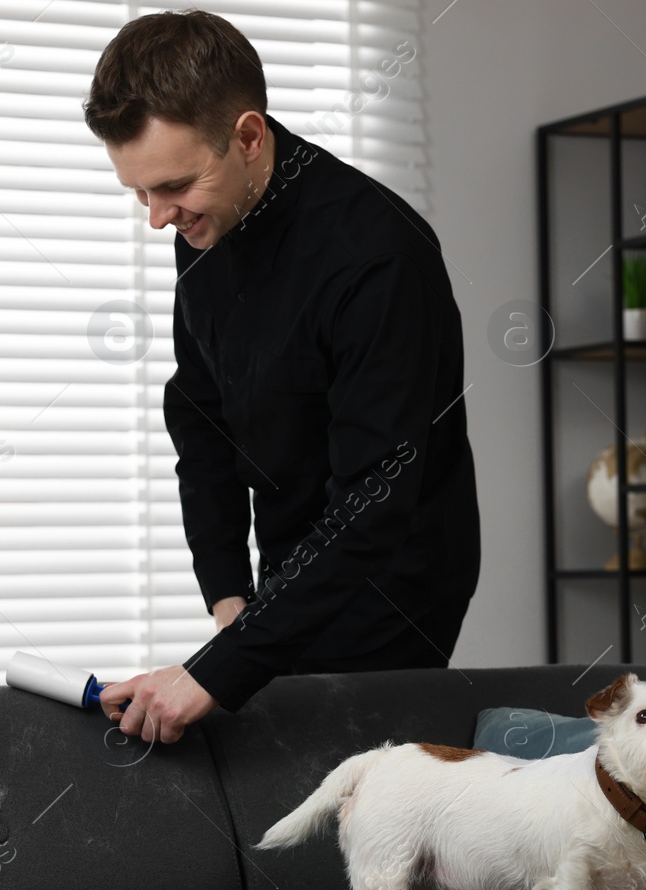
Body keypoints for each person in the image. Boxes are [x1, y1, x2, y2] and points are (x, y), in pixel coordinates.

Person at [84, 9, 479, 744]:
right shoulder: (208, 216)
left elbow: (372, 506)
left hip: (389, 583)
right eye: (140, 193)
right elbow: (199, 415)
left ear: (249, 136)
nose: (157, 218)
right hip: (287, 570)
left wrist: (223, 666)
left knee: (334, 793)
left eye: (171, 186)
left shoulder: (377, 257)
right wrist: (230, 595)